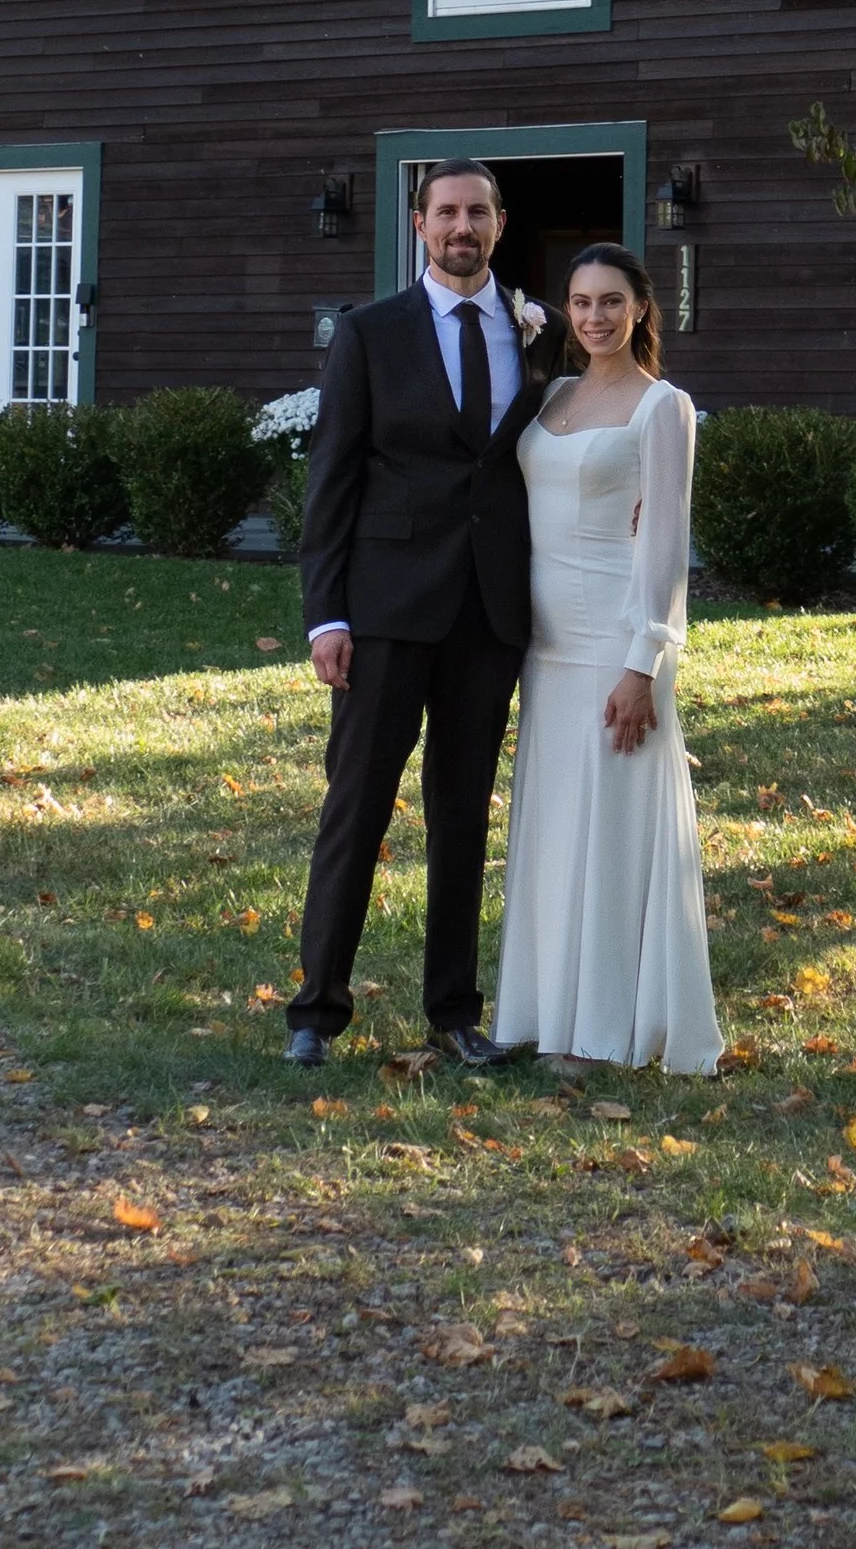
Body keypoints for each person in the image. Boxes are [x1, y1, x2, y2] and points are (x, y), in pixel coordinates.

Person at [287, 159, 544, 1073]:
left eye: (478, 211)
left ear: (500, 223)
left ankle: (454, 1011)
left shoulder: (535, 334)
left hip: (488, 613)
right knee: (355, 807)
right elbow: (333, 481)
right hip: (386, 610)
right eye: (446, 212)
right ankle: (316, 1009)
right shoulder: (369, 333)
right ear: (418, 223)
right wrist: (327, 617)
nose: (462, 226)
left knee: (463, 814)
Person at [493, 243, 724, 1075]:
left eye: (611, 302)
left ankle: (603, 1029)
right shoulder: (552, 394)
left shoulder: (662, 407)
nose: (594, 317)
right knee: (553, 836)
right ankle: (540, 1010)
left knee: (612, 835)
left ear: (640, 310)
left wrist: (644, 663)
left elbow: (663, 549)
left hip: (610, 647)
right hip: (544, 649)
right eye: (582, 301)